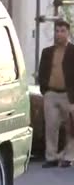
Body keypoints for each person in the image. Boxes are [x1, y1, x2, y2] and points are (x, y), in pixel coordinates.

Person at [38, 19, 74, 168]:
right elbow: (42, 73)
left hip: (69, 96)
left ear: (68, 33)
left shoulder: (73, 51)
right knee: (51, 127)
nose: (59, 34)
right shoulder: (47, 52)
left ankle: (69, 157)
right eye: (57, 31)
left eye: (62, 31)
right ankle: (51, 157)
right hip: (51, 94)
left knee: (71, 128)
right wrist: (44, 91)